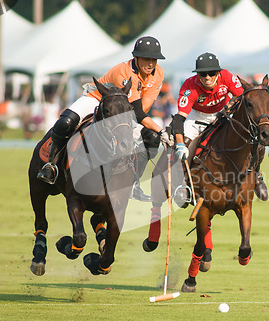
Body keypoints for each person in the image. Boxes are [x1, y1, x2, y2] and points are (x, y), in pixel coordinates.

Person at [144, 52, 269, 251]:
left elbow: (242, 98)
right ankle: (184, 185)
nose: (208, 78)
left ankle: (258, 176)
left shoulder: (227, 77)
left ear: (218, 72)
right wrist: (179, 143)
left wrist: (229, 109)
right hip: (195, 118)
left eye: (211, 73)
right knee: (185, 150)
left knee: (254, 142)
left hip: (222, 116)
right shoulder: (190, 86)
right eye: (203, 74)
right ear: (198, 75)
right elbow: (179, 119)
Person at [37, 36, 173, 202]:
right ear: (135, 58)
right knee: (66, 121)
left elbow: (143, 108)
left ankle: (134, 184)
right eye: (146, 59)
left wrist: (151, 131)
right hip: (99, 98)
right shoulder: (124, 73)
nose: (150, 64)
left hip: (125, 110)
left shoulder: (157, 73)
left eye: (154, 59)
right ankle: (51, 165)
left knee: (151, 138)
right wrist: (161, 129)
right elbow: (139, 112)